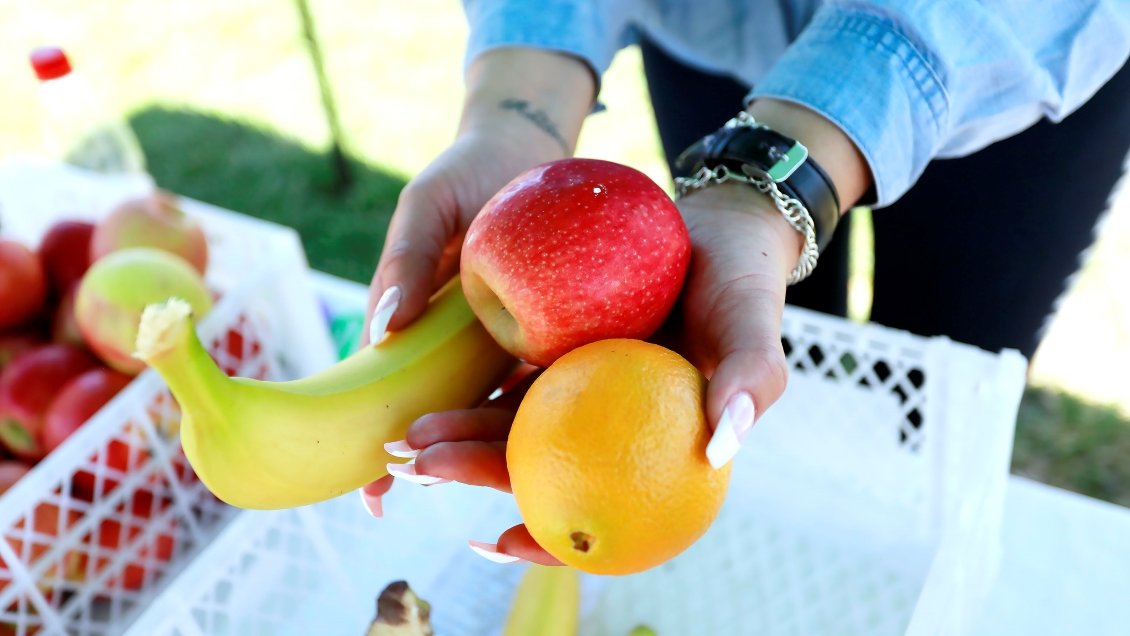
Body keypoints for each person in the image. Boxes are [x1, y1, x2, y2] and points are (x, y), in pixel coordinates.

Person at [358, 1, 1130, 564]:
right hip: (712, 31)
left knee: (938, 394)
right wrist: (513, 119)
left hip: (1003, 55)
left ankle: (893, 557)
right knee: (745, 365)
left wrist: (759, 182)